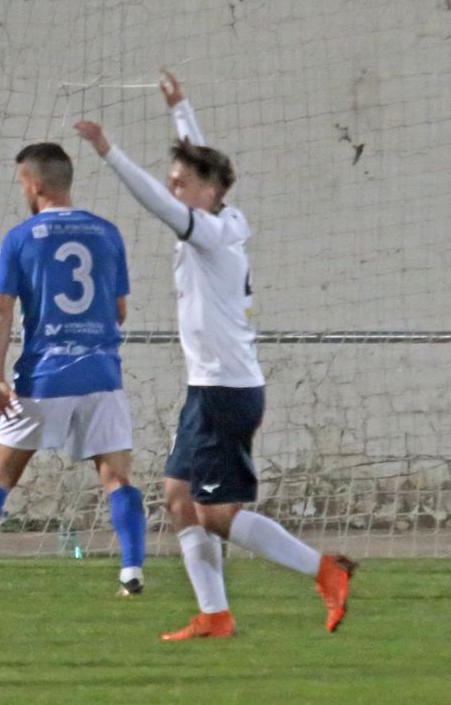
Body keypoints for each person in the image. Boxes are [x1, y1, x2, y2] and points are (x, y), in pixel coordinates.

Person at [74, 70, 355, 640]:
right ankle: (215, 614)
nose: (174, 188)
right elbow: (200, 171)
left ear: (207, 194)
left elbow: (158, 202)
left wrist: (109, 152)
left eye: (182, 183)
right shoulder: (223, 217)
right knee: (177, 497)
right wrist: (182, 110)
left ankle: (324, 571)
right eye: (173, 181)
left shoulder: (208, 232)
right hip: (211, 388)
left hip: (225, 392)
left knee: (218, 516)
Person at [0, 143, 146, 598]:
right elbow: (120, 311)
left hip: (43, 376)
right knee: (117, 478)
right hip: (101, 376)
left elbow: (0, 310)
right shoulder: (108, 233)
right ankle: (132, 573)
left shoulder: (21, 238)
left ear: (34, 184)